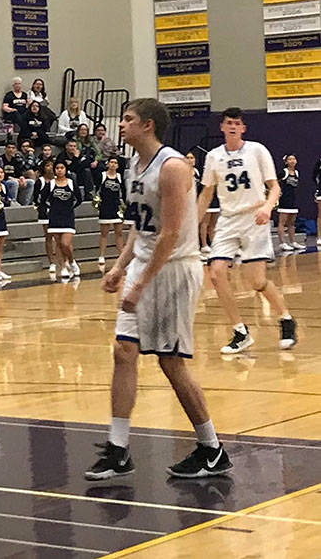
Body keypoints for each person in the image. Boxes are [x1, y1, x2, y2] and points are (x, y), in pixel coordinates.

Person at [88, 98, 231, 482]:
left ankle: (212, 448)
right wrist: (120, 268)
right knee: (123, 351)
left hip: (172, 271)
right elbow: (141, 226)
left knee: (171, 363)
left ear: (148, 125)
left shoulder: (172, 168)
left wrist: (140, 283)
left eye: (129, 119)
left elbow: (169, 234)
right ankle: (118, 449)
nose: (122, 125)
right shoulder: (135, 166)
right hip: (144, 266)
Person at [197, 108, 297, 353]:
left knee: (257, 281)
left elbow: (274, 188)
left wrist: (267, 207)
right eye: (228, 122)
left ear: (243, 128)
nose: (232, 126)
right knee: (216, 272)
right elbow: (206, 194)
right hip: (228, 219)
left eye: (237, 123)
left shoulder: (257, 150)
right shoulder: (213, 156)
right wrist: (191, 227)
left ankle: (286, 319)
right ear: (221, 127)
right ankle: (240, 331)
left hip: (255, 217)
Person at [44, 160, 82, 279]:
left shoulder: (71, 183)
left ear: (65, 169)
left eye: (62, 168)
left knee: (66, 243)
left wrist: (70, 208)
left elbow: (79, 199)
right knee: (58, 244)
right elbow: (43, 199)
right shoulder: (50, 184)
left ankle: (71, 261)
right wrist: (51, 209)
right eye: (57, 168)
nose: (59, 170)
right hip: (54, 217)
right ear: (54, 170)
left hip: (68, 216)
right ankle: (63, 267)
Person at [97, 156, 127, 267]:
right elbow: (97, 190)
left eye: (115, 162)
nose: (113, 164)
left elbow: (124, 193)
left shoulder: (119, 177)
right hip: (105, 207)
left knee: (119, 233)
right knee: (104, 233)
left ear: (118, 165)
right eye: (111, 162)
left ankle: (121, 255)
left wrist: (125, 205)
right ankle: (101, 255)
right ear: (108, 164)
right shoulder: (102, 175)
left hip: (116, 207)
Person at [32, 159, 59, 275]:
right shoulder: (40, 181)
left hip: (58, 212)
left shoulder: (59, 181)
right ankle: (51, 262)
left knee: (59, 238)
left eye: (52, 166)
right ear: (43, 168)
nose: (50, 168)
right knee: (48, 237)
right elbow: (35, 198)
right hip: (45, 212)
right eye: (47, 165)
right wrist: (41, 208)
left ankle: (60, 261)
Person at [277, 154, 301, 251]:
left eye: (294, 159)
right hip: (284, 200)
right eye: (290, 159)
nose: (292, 161)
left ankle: (292, 242)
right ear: (286, 162)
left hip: (293, 200)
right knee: (282, 222)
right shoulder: (284, 172)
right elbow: (274, 181)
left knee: (292, 223)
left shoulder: (296, 173)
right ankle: (282, 243)